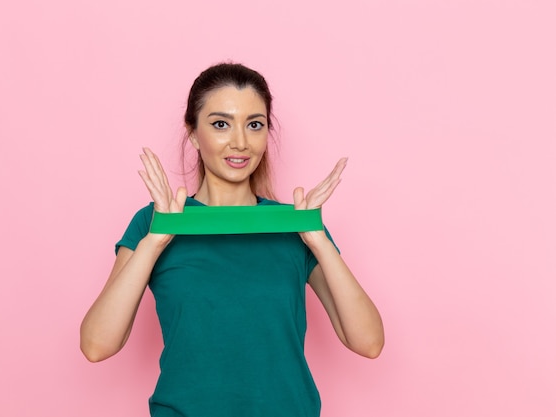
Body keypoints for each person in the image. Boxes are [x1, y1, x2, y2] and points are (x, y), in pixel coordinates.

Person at [80, 63, 384, 417]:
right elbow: (96, 345)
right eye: (220, 124)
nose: (240, 141)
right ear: (193, 133)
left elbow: (368, 342)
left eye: (254, 125)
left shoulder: (295, 224)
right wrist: (155, 240)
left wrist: (317, 239)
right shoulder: (154, 222)